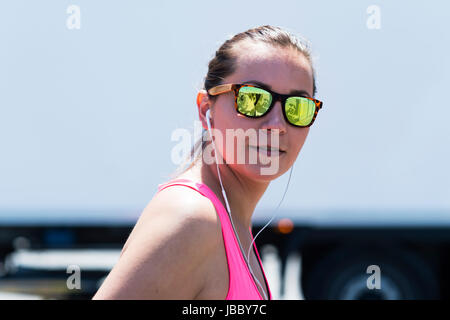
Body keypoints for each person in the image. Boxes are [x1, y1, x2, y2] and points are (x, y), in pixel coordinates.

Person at [93, 25, 323, 300]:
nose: (277, 124)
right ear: (206, 110)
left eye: (297, 106)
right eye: (253, 99)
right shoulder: (191, 218)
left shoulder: (229, 219)